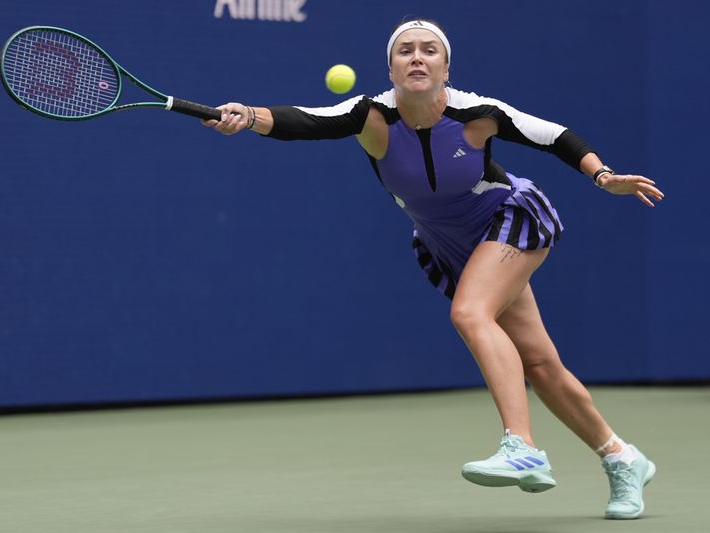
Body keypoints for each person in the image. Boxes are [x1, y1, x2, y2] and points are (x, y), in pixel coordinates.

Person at [203, 19, 663, 520]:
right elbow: (303, 120)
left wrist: (603, 176)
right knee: (539, 364)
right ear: (391, 68)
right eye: (405, 51)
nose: (417, 57)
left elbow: (554, 136)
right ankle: (622, 458)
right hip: (449, 244)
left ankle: (522, 446)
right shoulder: (369, 116)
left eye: (428, 50)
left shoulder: (476, 113)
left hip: (509, 220)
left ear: (446, 67)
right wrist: (247, 115)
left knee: (470, 314)